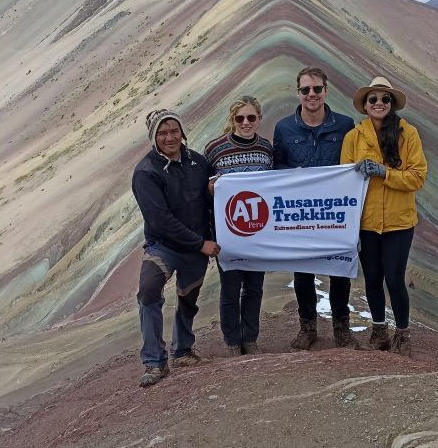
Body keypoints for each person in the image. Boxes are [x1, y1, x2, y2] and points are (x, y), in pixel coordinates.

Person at [131, 109, 221, 387]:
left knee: (188, 298)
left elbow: (211, 197)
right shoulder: (145, 172)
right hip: (164, 246)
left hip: (197, 246)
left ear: (182, 132)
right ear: (153, 138)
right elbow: (160, 220)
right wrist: (201, 243)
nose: (169, 137)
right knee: (148, 291)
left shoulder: (197, 162)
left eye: (174, 131)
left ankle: (182, 350)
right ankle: (154, 362)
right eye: (162, 133)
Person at [273, 66, 359, 350]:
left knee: (339, 269)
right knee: (303, 272)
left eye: (317, 89)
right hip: (301, 214)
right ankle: (307, 327)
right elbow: (276, 167)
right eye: (306, 89)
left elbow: (354, 165)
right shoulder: (284, 129)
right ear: (298, 93)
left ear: (326, 90)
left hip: (336, 214)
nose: (312, 94)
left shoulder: (345, 125)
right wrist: (293, 174)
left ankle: (341, 328)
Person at [341, 76, 427, 356]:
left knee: (394, 278)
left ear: (392, 104)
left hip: (399, 223)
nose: (379, 103)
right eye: (373, 99)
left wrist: (384, 172)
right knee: (373, 278)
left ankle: (403, 333)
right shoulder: (353, 137)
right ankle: (379, 331)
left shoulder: (408, 134)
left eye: (384, 99)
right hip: (366, 223)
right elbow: (344, 178)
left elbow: (417, 177)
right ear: (365, 105)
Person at [204, 96, 274, 357]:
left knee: (255, 287)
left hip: (259, 232)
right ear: (232, 120)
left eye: (251, 118)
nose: (246, 123)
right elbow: (202, 188)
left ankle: (250, 338)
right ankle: (232, 341)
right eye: (240, 118)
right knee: (231, 289)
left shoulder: (267, 149)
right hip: (227, 234)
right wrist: (210, 188)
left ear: (259, 119)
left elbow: (276, 187)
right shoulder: (214, 149)